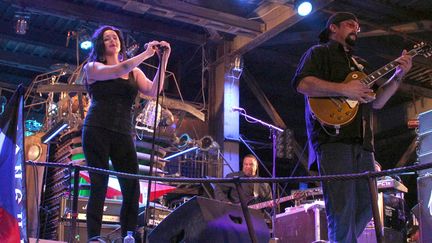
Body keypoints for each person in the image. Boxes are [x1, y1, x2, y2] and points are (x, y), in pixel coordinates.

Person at [291, 12, 412, 242]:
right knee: (342, 207)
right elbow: (302, 83)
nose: (355, 29)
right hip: (333, 141)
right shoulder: (319, 53)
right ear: (333, 28)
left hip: (364, 144)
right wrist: (344, 90)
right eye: (349, 25)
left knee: (368, 205)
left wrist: (398, 75)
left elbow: (378, 101)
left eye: (358, 26)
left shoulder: (361, 65)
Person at [82, 25, 170, 241]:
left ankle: (129, 233)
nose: (112, 40)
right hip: (96, 128)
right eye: (107, 38)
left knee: (131, 184)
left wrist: (163, 60)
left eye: (115, 37)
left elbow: (153, 90)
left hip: (122, 131)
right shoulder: (92, 67)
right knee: (99, 183)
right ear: (100, 44)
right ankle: (94, 235)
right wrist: (147, 53)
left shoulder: (134, 72)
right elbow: (117, 71)